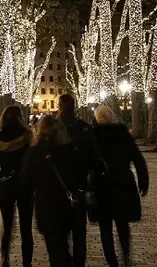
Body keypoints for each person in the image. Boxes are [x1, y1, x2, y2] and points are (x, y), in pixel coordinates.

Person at [20, 94, 98, 267]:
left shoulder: (35, 151)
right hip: (73, 200)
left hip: (47, 205)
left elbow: (25, 179)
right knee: (78, 237)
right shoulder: (72, 145)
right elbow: (89, 165)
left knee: (55, 246)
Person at [92, 106, 149, 267]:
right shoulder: (123, 133)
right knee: (122, 224)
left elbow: (86, 162)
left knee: (105, 227)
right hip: (122, 182)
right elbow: (137, 157)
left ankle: (112, 262)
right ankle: (125, 255)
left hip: (101, 185)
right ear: (111, 117)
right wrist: (143, 181)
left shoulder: (93, 135)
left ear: (97, 118)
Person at [0, 105, 33, 267]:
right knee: (26, 229)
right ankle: (27, 262)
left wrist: (0, 176)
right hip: (25, 186)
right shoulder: (28, 138)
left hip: (7, 186)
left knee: (7, 226)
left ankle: (5, 259)